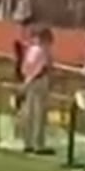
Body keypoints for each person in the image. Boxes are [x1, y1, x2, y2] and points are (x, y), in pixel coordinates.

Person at [17, 26, 53, 154]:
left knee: (29, 113)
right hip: (39, 81)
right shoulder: (42, 50)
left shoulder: (31, 50)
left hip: (30, 81)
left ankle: (28, 142)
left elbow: (24, 67)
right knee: (39, 114)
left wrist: (26, 80)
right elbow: (43, 68)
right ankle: (38, 144)